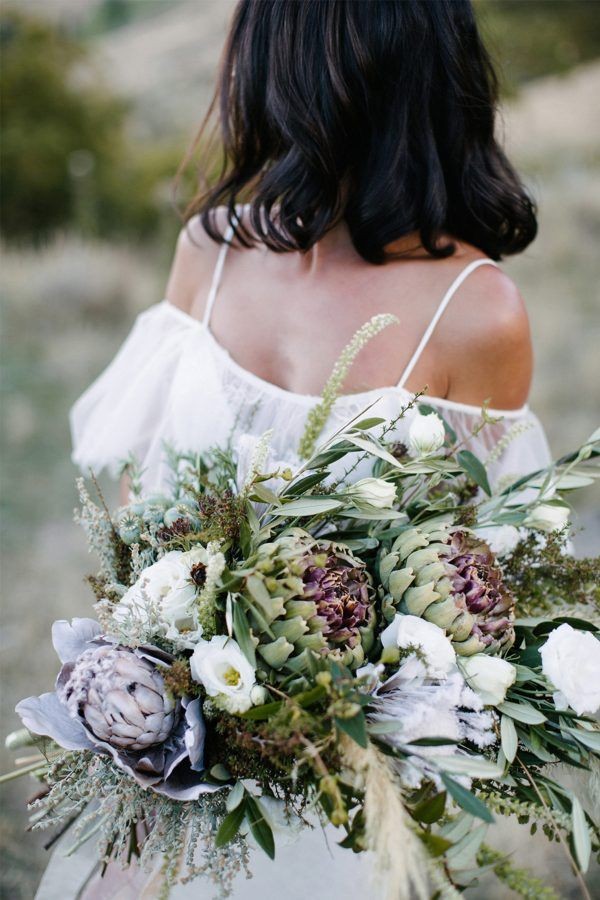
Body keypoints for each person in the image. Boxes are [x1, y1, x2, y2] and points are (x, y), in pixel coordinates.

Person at [37, 2, 552, 897]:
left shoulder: (477, 308)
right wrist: (141, 680)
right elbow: (135, 497)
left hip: (337, 792)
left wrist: (296, 707)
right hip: (162, 762)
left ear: (293, 67)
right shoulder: (211, 247)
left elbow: (482, 584)